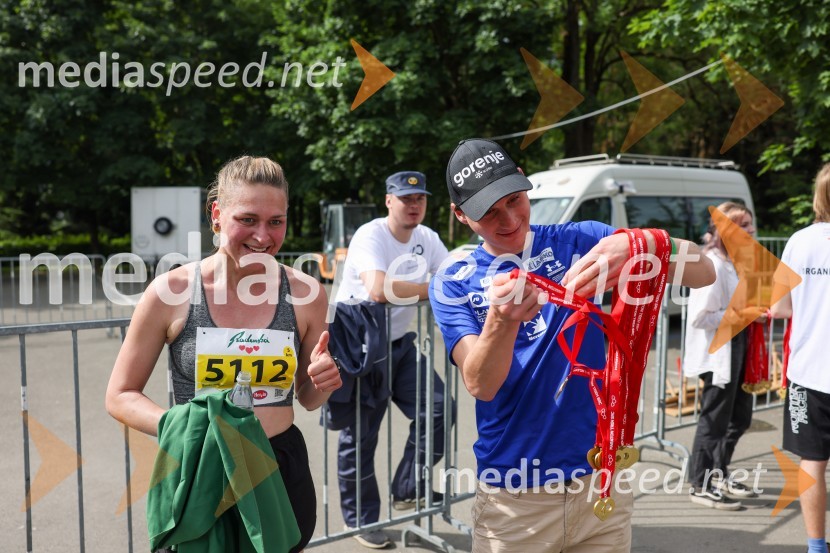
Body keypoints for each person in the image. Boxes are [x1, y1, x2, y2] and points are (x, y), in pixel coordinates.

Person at [428, 138, 716, 553]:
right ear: (460, 214)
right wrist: (501, 321)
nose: (509, 219)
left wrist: (646, 242)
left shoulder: (580, 239)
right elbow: (480, 384)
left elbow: (703, 272)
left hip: (601, 480)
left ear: (523, 181)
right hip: (516, 496)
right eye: (489, 212)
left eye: (514, 200)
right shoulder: (453, 280)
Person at [105, 156, 342, 553]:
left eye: (276, 221)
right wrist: (184, 428)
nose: (263, 236)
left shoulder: (306, 294)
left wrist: (324, 381)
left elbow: (308, 397)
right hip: (199, 465)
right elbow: (120, 394)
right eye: (247, 219)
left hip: (278, 465)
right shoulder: (170, 292)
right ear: (217, 215)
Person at [329, 171, 452, 549]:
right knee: (361, 437)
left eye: (420, 199)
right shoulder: (371, 235)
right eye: (405, 199)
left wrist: (440, 286)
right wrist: (433, 288)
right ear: (388, 201)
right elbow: (378, 289)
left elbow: (453, 278)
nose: (414, 205)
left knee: (439, 408)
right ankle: (361, 520)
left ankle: (408, 488)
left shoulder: (427, 237)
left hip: (398, 345)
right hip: (359, 348)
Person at [683, 201, 766, 510]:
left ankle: (717, 473)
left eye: (750, 223)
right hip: (720, 353)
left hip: (737, 347)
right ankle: (700, 483)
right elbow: (700, 318)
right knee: (715, 420)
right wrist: (745, 313)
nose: (751, 230)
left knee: (739, 418)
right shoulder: (714, 266)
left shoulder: (734, 262)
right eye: (743, 225)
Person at [771, 163, 830, 553]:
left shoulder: (799, 241)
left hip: (809, 372)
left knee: (813, 462)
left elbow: (779, 308)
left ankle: (816, 546)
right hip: (809, 370)